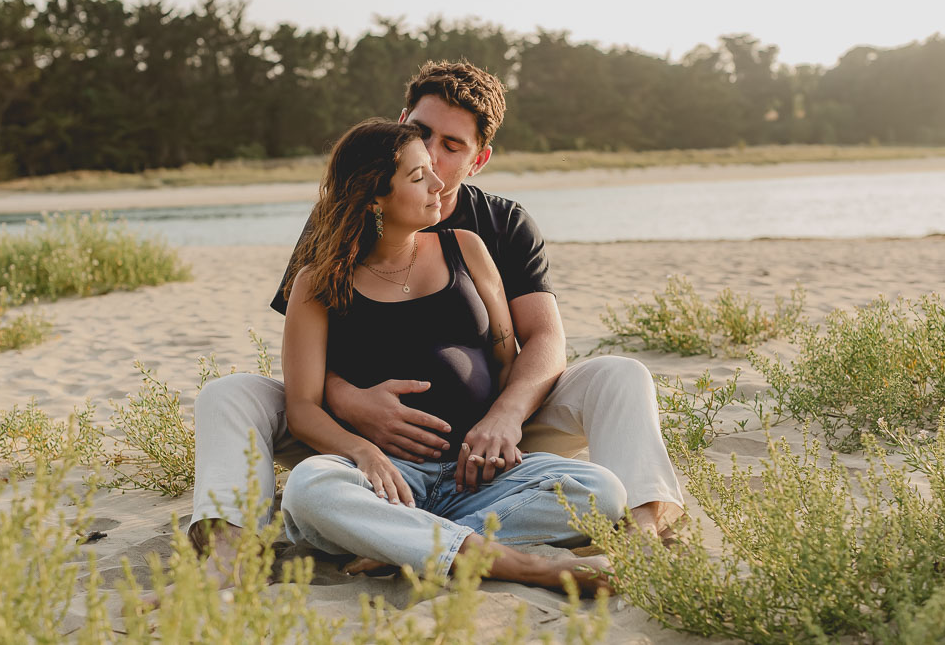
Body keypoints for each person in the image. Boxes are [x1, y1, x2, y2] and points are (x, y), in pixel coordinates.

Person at [190, 60, 683, 579]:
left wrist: (504, 416)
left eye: (452, 145)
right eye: (421, 134)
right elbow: (308, 366)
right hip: (360, 437)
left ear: (479, 160)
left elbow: (537, 341)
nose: (431, 154)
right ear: (401, 124)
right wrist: (348, 400)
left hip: (490, 438)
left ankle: (642, 530)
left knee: (621, 377)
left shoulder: (498, 227)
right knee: (229, 395)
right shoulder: (339, 220)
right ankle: (232, 553)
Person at [275, 118, 625, 591]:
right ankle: (525, 566)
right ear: (373, 196)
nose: (439, 183)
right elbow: (301, 409)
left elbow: (505, 360)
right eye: (419, 177)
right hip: (388, 478)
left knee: (602, 491)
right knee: (309, 489)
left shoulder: (467, 248)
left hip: (477, 474)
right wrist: (366, 454)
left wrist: (499, 431)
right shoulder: (316, 284)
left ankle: (403, 544)